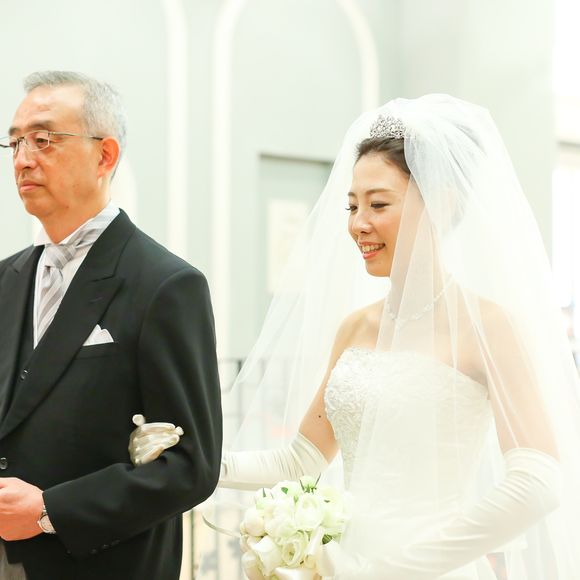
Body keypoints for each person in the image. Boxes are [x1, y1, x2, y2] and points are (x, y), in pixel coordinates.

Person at [130, 95, 580, 578]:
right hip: (345, 562)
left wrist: (396, 568)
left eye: (378, 204)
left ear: (442, 203)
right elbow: (300, 459)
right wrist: (190, 458)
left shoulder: (487, 326)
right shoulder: (356, 327)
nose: (358, 224)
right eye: (352, 206)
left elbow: (537, 480)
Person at [0, 71, 222, 580]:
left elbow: (192, 465)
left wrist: (50, 511)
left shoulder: (165, 285)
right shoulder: (6, 280)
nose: (23, 158)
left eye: (43, 139)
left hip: (100, 564)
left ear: (105, 156)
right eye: (14, 143)